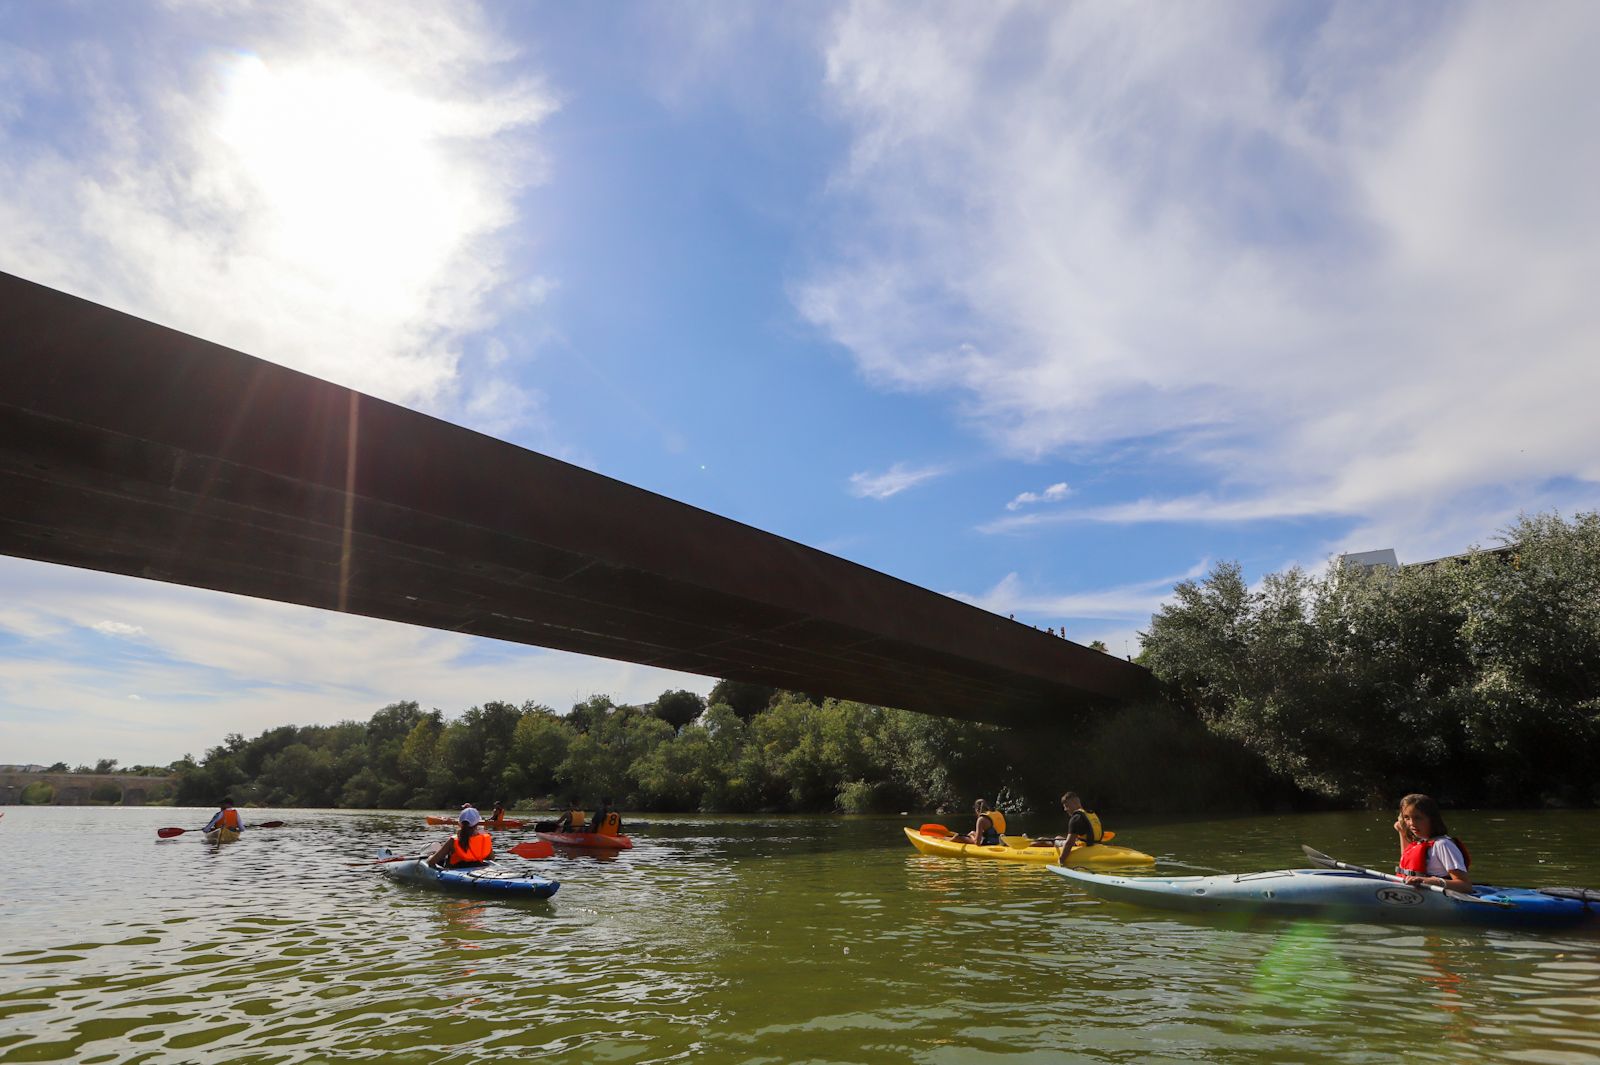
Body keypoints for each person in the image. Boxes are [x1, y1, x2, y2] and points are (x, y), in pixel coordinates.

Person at [1395, 792, 1472, 892]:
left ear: (1431, 818)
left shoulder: (1443, 845)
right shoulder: (1422, 842)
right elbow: (1407, 860)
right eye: (1407, 817)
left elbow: (1465, 885)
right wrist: (1402, 832)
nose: (1411, 823)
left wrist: (1431, 881)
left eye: (1418, 817)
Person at [428, 806, 493, 867]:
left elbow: (431, 862)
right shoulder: (485, 838)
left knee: (434, 858)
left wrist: (430, 857)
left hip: (455, 870)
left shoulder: (453, 840)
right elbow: (490, 858)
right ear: (477, 823)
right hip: (477, 867)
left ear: (460, 823)